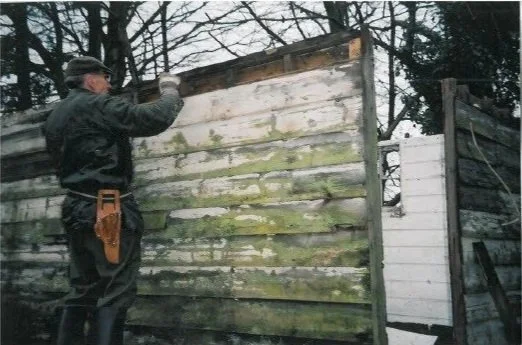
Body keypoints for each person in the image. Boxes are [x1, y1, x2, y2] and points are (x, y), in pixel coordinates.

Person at [43, 56, 184, 345]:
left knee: (82, 288)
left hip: (75, 208)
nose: (109, 85)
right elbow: (153, 118)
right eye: (105, 79)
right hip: (107, 210)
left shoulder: (56, 116)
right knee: (116, 289)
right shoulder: (97, 105)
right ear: (92, 80)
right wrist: (169, 90)